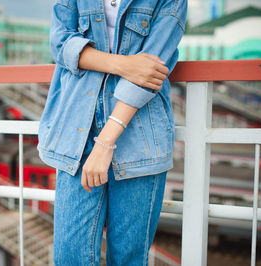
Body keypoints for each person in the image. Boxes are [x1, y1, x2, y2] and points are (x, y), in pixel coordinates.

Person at [37, 0, 187, 264]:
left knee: (128, 259)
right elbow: (60, 44)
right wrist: (124, 64)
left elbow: (151, 69)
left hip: (140, 138)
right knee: (71, 257)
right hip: (77, 134)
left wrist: (105, 143)